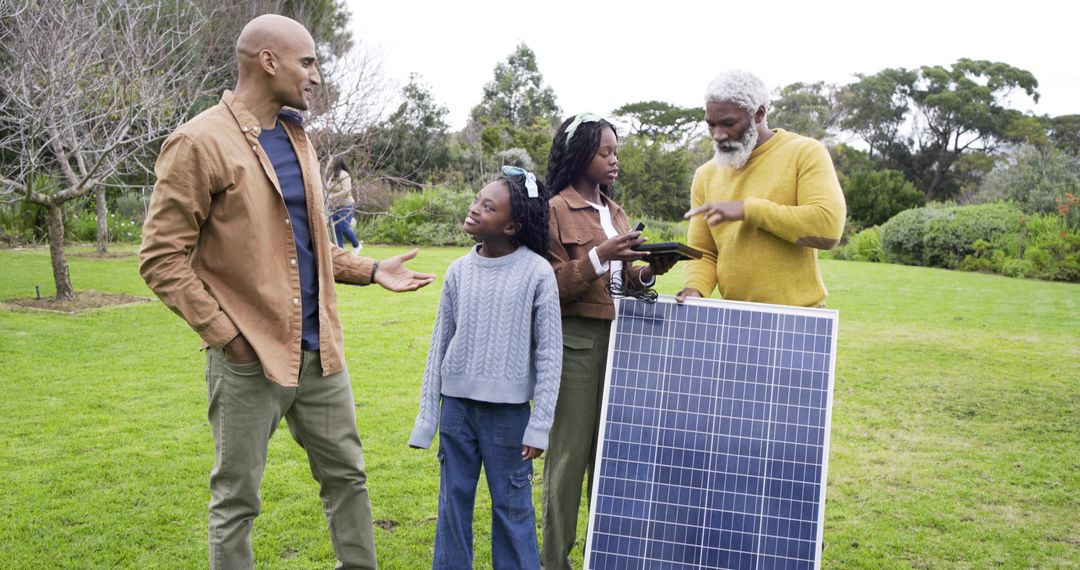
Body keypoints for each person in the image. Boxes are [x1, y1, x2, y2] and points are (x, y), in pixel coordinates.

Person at [137, 14, 435, 569]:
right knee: (237, 500)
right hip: (249, 360)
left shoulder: (298, 137)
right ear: (268, 61)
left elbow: (306, 244)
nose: (317, 75)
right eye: (309, 62)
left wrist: (371, 270)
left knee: (348, 478)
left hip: (321, 356)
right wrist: (230, 337)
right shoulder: (199, 142)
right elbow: (160, 259)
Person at [539, 114, 677, 569]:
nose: (614, 161)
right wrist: (601, 255)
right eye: (604, 153)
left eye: (616, 152)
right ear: (581, 156)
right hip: (579, 344)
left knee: (611, 455)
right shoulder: (555, 209)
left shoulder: (614, 212)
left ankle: (604, 556)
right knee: (568, 460)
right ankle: (554, 560)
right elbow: (552, 285)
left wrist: (649, 270)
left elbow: (623, 281)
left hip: (624, 345)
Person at [409, 166, 562, 570]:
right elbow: (438, 346)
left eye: (487, 206)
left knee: (513, 510)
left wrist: (539, 424)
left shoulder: (537, 273)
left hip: (510, 421)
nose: (474, 209)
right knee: (452, 506)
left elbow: (550, 354)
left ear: (512, 226)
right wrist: (428, 418)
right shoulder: (459, 271)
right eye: (477, 200)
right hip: (456, 412)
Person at [677, 70, 846, 307]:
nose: (718, 135)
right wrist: (695, 289)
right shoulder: (706, 175)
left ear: (759, 114)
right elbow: (703, 251)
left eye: (728, 123)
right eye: (711, 125)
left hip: (798, 318)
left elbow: (827, 228)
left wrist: (748, 210)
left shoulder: (805, 153)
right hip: (736, 317)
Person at [327, 156, 360, 249]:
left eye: (330, 161)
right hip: (336, 207)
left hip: (347, 205)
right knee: (336, 230)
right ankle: (340, 251)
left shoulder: (344, 175)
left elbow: (347, 191)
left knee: (344, 227)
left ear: (335, 163)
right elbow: (328, 188)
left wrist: (333, 196)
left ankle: (357, 245)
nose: (329, 162)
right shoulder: (333, 175)